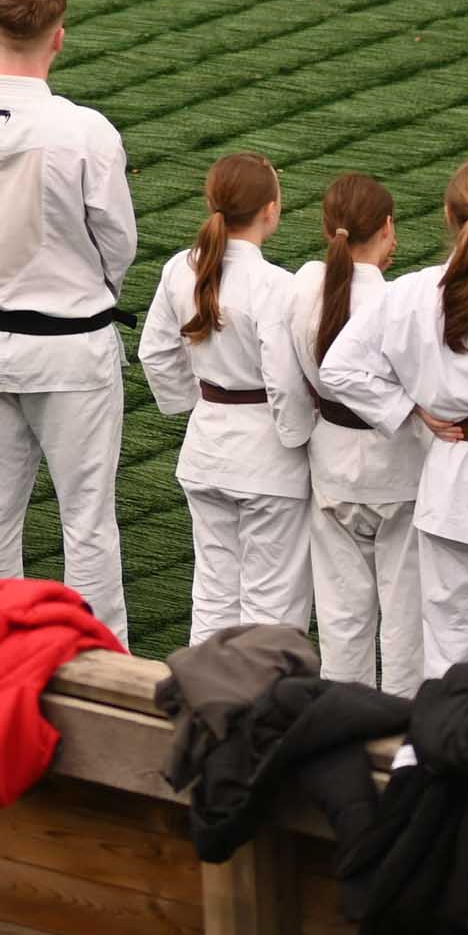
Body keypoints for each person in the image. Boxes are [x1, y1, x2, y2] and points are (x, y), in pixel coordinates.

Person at [0, 0, 136, 641]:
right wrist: (86, 290)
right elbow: (118, 242)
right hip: (71, 344)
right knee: (87, 519)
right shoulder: (87, 131)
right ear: (60, 39)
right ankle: (103, 668)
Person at [316, 156, 468, 675]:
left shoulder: (414, 292)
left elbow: (340, 368)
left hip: (452, 474)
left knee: (453, 647)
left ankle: (451, 752)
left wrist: (411, 410)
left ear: (448, 215)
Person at [140, 153, 317, 644]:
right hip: (267, 461)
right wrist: (296, 438)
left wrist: (195, 405)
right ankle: (261, 712)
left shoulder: (182, 268)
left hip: (206, 450)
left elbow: (154, 352)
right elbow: (284, 381)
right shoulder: (276, 285)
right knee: (272, 605)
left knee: (213, 595)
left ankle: (202, 704)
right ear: (270, 210)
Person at [287, 175, 422, 691]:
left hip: (331, 464)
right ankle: (404, 738)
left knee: (342, 619)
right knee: (407, 619)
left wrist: (299, 437)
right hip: (400, 471)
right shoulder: (401, 303)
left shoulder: (303, 290)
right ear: (388, 228)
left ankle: (345, 729)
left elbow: (285, 381)